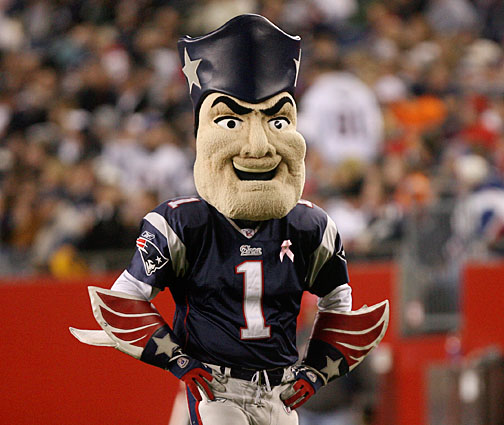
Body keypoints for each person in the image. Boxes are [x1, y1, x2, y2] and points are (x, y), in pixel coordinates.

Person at [70, 14, 389, 425]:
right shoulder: (183, 222)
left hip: (279, 390)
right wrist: (177, 359)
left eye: (277, 121)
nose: (257, 146)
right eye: (231, 121)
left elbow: (339, 303)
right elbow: (127, 297)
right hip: (216, 388)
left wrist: (316, 370)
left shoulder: (310, 226)